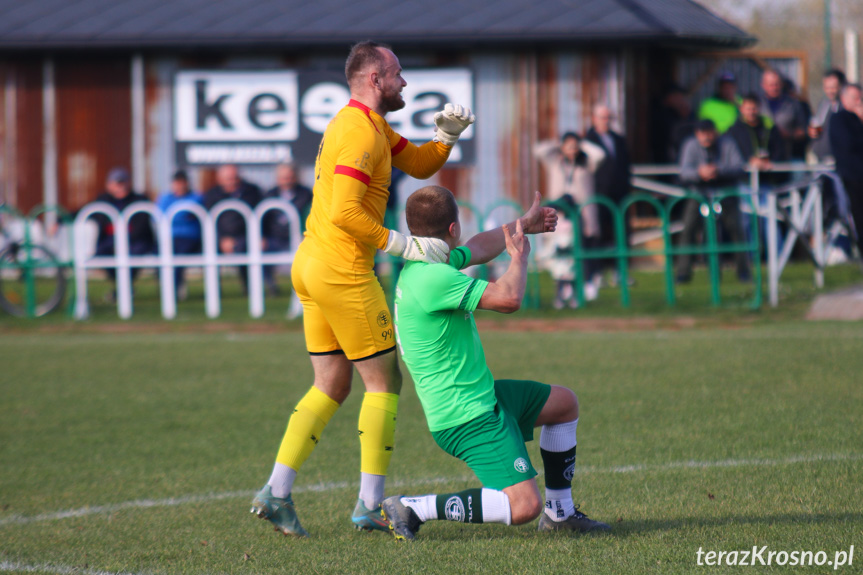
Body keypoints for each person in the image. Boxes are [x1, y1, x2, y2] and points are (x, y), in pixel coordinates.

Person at [250, 40, 475, 538]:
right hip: (343, 271)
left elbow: (418, 165)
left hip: (311, 264)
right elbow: (345, 212)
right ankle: (369, 507)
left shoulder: (365, 124)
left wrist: (446, 137)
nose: (405, 82)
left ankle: (276, 493)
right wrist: (404, 246)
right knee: (385, 382)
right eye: (397, 73)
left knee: (331, 384)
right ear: (375, 79)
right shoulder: (359, 134)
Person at [379, 186, 608, 541]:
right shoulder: (433, 277)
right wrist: (520, 257)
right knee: (523, 507)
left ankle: (560, 514)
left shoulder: (427, 263)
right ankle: (414, 507)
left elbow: (480, 246)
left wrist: (522, 225)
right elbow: (509, 298)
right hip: (466, 416)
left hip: (481, 397)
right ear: (453, 228)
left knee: (564, 404)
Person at [533, 132, 605, 303]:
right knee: (561, 253)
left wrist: (582, 144)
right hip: (560, 215)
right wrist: (559, 143)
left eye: (575, 147)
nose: (572, 151)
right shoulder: (555, 162)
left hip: (581, 215)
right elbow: (539, 150)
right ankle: (562, 289)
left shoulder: (586, 163)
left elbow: (600, 155)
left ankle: (581, 288)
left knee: (580, 252)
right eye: (569, 147)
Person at [676, 119, 750, 283]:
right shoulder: (690, 145)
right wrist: (699, 173)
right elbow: (684, 172)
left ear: (715, 132)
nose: (706, 137)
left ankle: (743, 271)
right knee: (688, 229)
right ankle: (683, 273)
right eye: (702, 134)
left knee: (736, 230)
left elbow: (739, 166)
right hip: (698, 193)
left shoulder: (727, 143)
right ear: (697, 134)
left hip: (725, 193)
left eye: (709, 133)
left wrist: (719, 170)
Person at [726, 94, 788, 249]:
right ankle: (750, 258)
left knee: (770, 218)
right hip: (744, 182)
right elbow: (731, 154)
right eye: (748, 108)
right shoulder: (734, 130)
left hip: (766, 181)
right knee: (746, 220)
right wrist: (749, 161)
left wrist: (770, 162)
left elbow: (780, 150)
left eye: (754, 108)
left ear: (759, 108)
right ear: (741, 109)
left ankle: (777, 255)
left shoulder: (768, 127)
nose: (751, 112)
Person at [90, 167, 156, 300]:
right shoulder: (102, 201)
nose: (120, 187)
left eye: (122, 183)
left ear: (128, 183)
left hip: (135, 242)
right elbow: (83, 211)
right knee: (102, 255)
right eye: (116, 183)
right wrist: (59, 220)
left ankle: (122, 290)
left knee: (133, 254)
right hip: (110, 243)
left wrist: (122, 243)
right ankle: (124, 289)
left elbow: (142, 227)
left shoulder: (140, 200)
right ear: (109, 185)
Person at [586, 105, 632, 286]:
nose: (606, 121)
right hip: (599, 196)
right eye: (602, 117)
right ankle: (597, 273)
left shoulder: (618, 139)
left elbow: (625, 166)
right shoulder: (588, 141)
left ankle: (620, 272)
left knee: (621, 234)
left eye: (608, 118)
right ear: (594, 119)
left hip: (620, 195)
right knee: (598, 235)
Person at [202, 164, 263, 293]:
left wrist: (259, 237)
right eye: (228, 179)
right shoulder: (212, 195)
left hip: (246, 236)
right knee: (208, 250)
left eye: (234, 178)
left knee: (246, 248)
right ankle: (213, 291)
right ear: (219, 179)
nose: (232, 182)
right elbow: (209, 222)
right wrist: (221, 239)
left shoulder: (252, 192)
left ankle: (251, 289)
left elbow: (260, 218)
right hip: (219, 237)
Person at [262, 163, 313, 296]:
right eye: (284, 178)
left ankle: (305, 288)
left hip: (300, 238)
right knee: (260, 249)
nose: (287, 181)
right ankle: (270, 286)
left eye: (290, 177)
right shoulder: (269, 195)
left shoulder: (306, 194)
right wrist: (262, 237)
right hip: (275, 238)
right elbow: (264, 220)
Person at [156, 170, 203, 301]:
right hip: (168, 238)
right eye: (177, 182)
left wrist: (178, 217)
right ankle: (167, 288)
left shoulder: (197, 197)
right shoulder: (165, 198)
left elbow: (188, 216)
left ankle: (173, 290)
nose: (180, 185)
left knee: (177, 256)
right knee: (159, 255)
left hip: (189, 238)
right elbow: (158, 216)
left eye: (182, 182)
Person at [829, 84, 863, 259]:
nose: (859, 101)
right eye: (855, 97)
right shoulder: (839, 119)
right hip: (851, 176)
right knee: (857, 214)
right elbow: (848, 144)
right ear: (844, 99)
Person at [759, 69, 807, 160]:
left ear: (781, 84)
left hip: (787, 155)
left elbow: (803, 130)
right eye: (771, 85)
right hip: (764, 157)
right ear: (763, 85)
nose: (774, 88)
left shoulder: (793, 104)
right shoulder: (758, 104)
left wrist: (789, 134)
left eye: (776, 84)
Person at [809, 69, 847, 164]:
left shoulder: (846, 107)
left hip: (838, 160)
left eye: (833, 87)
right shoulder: (823, 104)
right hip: (820, 159)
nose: (830, 91)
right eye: (827, 88)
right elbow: (816, 123)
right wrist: (811, 130)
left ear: (842, 86)